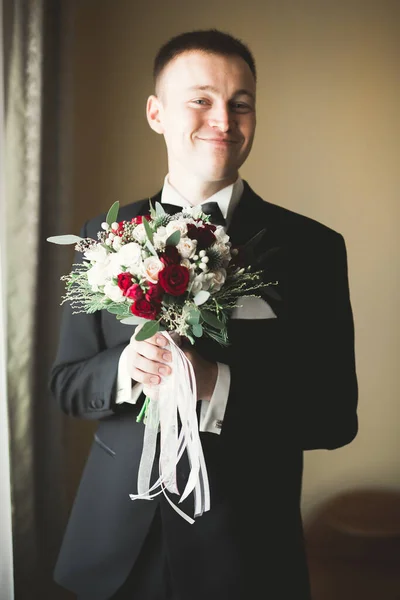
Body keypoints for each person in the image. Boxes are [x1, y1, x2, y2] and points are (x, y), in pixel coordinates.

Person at [50, 29, 358, 600]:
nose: (224, 118)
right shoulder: (101, 236)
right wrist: (123, 368)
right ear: (156, 112)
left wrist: (220, 385)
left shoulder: (313, 248)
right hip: (113, 544)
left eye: (241, 103)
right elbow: (67, 383)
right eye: (201, 99)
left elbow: (336, 415)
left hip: (245, 549)